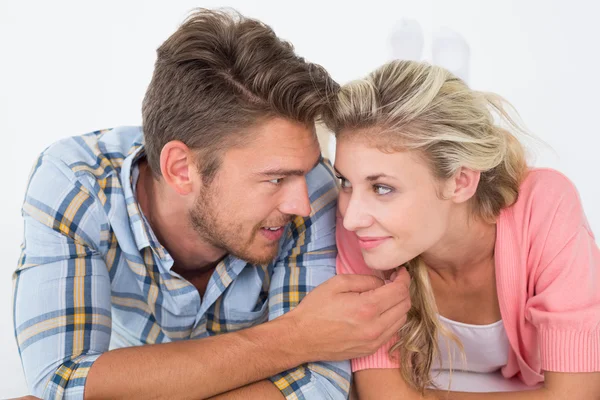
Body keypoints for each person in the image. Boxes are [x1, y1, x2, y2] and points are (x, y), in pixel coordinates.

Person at [12, 10, 411, 400]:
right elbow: (63, 378)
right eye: (274, 179)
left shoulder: (315, 190)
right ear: (181, 169)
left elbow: (317, 388)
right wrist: (296, 336)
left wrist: (123, 385)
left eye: (303, 173)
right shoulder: (77, 183)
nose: (302, 204)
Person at [323, 60, 600, 399]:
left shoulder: (545, 206)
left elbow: (577, 394)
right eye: (346, 182)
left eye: (382, 188)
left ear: (460, 181)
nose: (351, 218)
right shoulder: (364, 233)